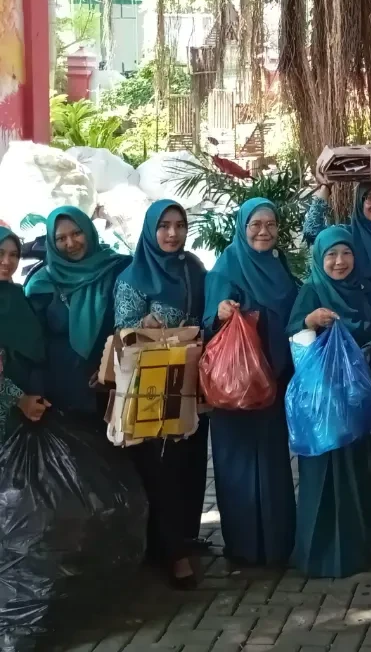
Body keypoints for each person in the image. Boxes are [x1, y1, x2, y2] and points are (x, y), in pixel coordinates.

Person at [114, 200, 208, 589]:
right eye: (164, 226)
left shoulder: (194, 269)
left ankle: (180, 537)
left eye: (179, 225)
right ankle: (173, 555)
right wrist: (143, 325)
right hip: (150, 387)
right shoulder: (133, 278)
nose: (172, 234)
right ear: (150, 230)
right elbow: (122, 335)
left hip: (190, 380)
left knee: (189, 461)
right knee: (161, 469)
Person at [202, 198, 297, 567]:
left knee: (273, 462)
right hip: (236, 386)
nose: (263, 231)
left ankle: (276, 543)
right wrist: (220, 314)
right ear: (242, 228)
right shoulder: (226, 268)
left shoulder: (279, 264)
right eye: (255, 224)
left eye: (270, 224)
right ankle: (244, 546)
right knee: (238, 465)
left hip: (274, 380)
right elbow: (208, 316)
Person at [288, 225, 371, 577]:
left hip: (354, 402)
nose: (339, 262)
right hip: (323, 406)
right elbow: (293, 334)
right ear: (319, 259)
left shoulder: (361, 290)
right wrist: (310, 321)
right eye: (331, 255)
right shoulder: (312, 290)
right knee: (324, 474)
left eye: (346, 254)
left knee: (356, 472)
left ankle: (357, 548)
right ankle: (320, 553)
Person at [24, 207, 128, 421]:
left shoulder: (118, 268)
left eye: (76, 233)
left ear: (88, 231)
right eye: (61, 238)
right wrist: (35, 391)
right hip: (61, 393)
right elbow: (34, 344)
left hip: (113, 387)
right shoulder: (42, 283)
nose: (70, 244)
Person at [0, 227, 49, 439]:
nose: (7, 261)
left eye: (14, 255)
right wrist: (19, 399)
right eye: (0, 253)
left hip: (23, 406)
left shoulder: (15, 294)